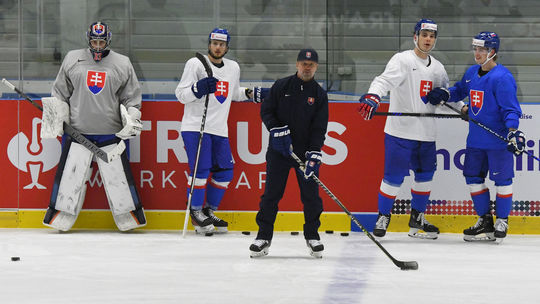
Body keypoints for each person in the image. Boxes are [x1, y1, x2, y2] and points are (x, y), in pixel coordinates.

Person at [358, 18, 464, 239]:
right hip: (400, 132)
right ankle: (383, 215)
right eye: (424, 35)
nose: (428, 39)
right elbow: (383, 81)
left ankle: (417, 217)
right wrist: (373, 96)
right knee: (393, 177)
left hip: (426, 133)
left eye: (432, 36)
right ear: (415, 36)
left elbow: (447, 96)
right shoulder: (402, 60)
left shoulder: (438, 68)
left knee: (425, 176)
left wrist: (463, 109)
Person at [42, 21, 146, 231]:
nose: (98, 45)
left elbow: (132, 99)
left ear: (108, 39)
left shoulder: (123, 63)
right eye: (94, 41)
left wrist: (132, 118)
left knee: (120, 183)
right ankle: (60, 216)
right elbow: (60, 93)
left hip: (111, 135)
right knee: (70, 179)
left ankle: (129, 218)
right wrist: (59, 116)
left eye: (101, 41)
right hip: (78, 134)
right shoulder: (73, 58)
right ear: (88, 39)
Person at [424, 31, 524, 243]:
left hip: (497, 142)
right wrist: (446, 94)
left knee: (503, 181)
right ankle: (485, 221)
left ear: (492, 51)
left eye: (482, 49)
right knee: (473, 179)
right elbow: (460, 90)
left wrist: (513, 132)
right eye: (475, 48)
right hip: (476, 142)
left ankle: (502, 220)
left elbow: (511, 110)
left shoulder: (502, 78)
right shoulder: (471, 72)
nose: (477, 53)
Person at [175, 28, 263, 234]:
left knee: (225, 171)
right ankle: (196, 213)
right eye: (215, 43)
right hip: (196, 127)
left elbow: (233, 93)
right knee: (201, 170)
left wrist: (250, 93)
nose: (218, 47)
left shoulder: (233, 67)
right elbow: (181, 94)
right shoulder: (195, 64)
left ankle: (209, 211)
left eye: (222, 44)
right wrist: (198, 88)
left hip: (219, 129)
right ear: (209, 44)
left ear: (227, 47)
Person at [249, 48, 329, 258]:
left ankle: (312, 236)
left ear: (316, 67)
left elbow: (319, 128)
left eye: (311, 65)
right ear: (297, 64)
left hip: (303, 154)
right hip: (278, 152)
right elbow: (266, 110)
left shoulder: (319, 95)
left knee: (311, 197)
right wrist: (275, 129)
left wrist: (314, 154)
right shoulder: (281, 86)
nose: (307, 67)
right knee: (271, 196)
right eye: (303, 63)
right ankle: (263, 236)